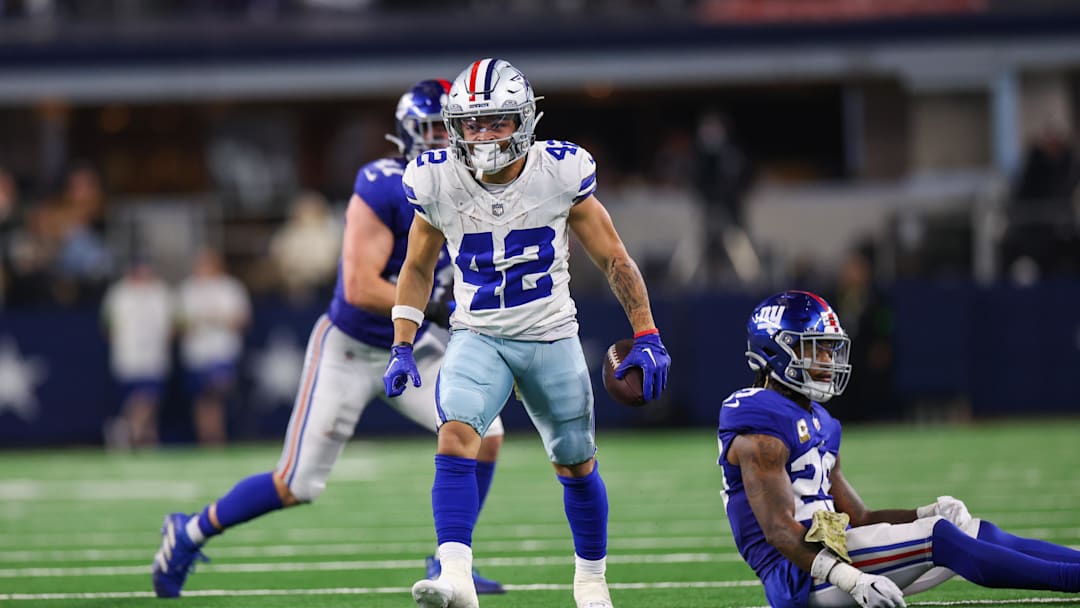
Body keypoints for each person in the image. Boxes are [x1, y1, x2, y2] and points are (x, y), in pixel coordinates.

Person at [152, 80, 507, 598]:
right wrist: (438, 306)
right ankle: (188, 531)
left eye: (445, 130)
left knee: (486, 432)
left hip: (413, 343)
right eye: (428, 130)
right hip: (351, 346)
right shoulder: (383, 183)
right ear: (406, 136)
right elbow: (362, 287)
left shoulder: (475, 186)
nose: (438, 141)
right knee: (295, 484)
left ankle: (449, 562)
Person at [383, 58, 672, 608]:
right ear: (455, 127)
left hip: (550, 335)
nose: (484, 135)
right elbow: (417, 268)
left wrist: (647, 332)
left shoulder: (559, 171)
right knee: (456, 435)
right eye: (473, 123)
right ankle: (457, 577)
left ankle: (591, 582)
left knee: (576, 461)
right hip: (478, 335)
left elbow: (614, 258)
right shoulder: (435, 177)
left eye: (497, 122)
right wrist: (402, 342)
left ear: (523, 121)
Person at [718, 290, 1080, 608]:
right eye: (815, 349)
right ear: (776, 349)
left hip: (834, 549)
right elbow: (779, 530)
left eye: (830, 349)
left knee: (969, 528)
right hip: (799, 577)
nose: (827, 361)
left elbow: (859, 518)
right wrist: (853, 580)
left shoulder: (820, 421)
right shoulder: (757, 423)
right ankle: (1069, 580)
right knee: (939, 536)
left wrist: (923, 511)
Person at [175, 247, 252, 446]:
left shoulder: (230, 287)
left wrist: (219, 319)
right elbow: (178, 325)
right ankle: (209, 439)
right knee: (202, 400)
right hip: (197, 353)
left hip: (222, 351)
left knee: (217, 389)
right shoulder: (188, 289)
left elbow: (243, 319)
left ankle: (216, 435)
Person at [100, 258, 174, 449]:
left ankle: (138, 434)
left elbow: (174, 323)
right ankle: (133, 432)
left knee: (151, 397)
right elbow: (107, 327)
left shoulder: (161, 292)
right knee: (141, 397)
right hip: (129, 356)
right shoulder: (119, 293)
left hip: (155, 355)